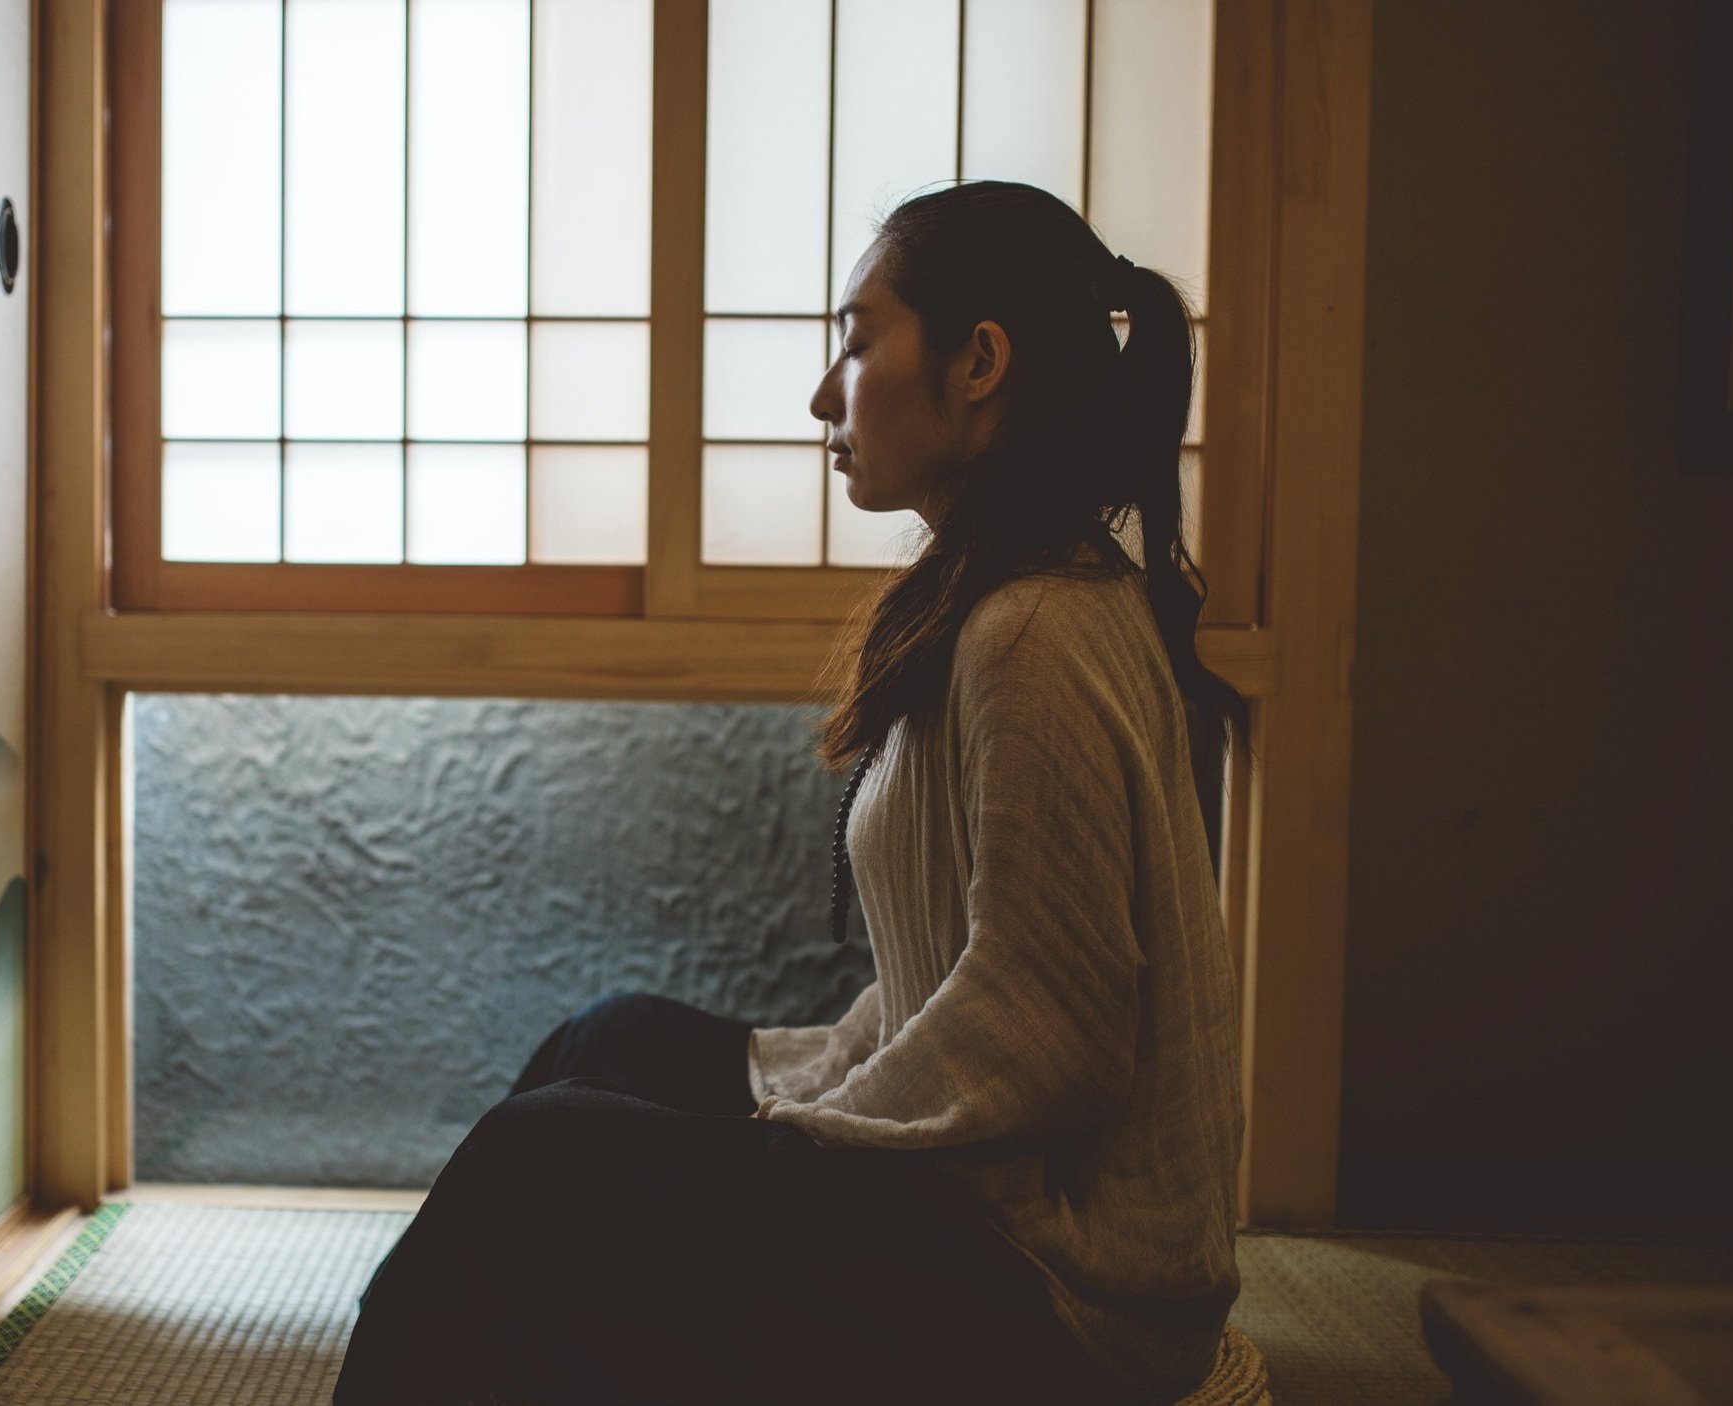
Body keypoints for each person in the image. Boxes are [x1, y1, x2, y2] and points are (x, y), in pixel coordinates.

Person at [330, 179, 1252, 1406]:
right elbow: (956, 978)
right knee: (610, 1039)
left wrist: (800, 1135)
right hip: (984, 1209)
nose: (827, 389)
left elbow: (1053, 1032)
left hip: (1075, 1294)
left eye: (859, 338)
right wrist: (804, 1085)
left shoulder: (1036, 631)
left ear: (980, 362)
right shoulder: (999, 595)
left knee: (536, 1167)